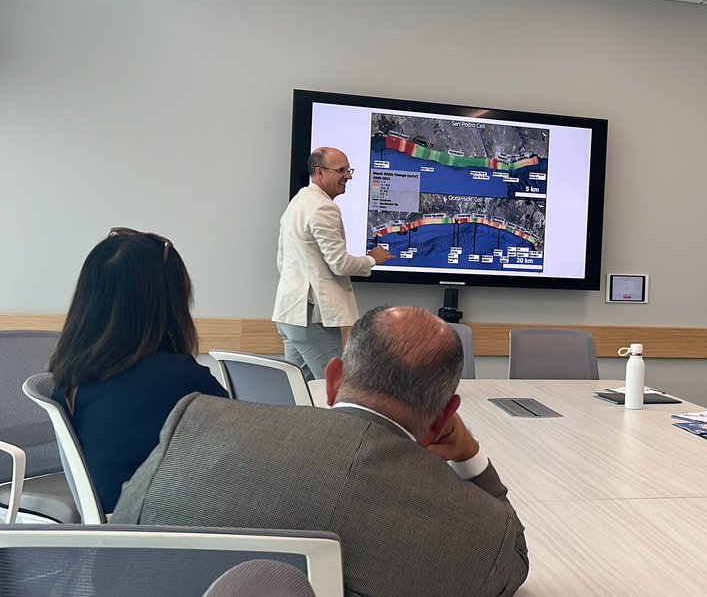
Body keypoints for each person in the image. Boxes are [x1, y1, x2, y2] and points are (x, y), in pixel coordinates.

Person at [112, 306, 529, 597]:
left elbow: (118, 537)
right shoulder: (478, 533)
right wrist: (470, 456)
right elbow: (513, 564)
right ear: (445, 418)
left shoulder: (198, 421)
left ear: (332, 381)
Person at [47, 228, 228, 514]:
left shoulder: (70, 375)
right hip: (160, 530)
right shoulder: (179, 380)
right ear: (169, 302)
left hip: (114, 523)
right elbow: (240, 454)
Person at [272, 147, 394, 380]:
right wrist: (372, 259)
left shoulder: (298, 202)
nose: (348, 176)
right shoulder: (323, 207)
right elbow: (339, 264)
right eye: (340, 170)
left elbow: (282, 260)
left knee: (304, 393)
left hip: (290, 314)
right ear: (319, 173)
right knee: (337, 389)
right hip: (312, 318)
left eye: (349, 170)